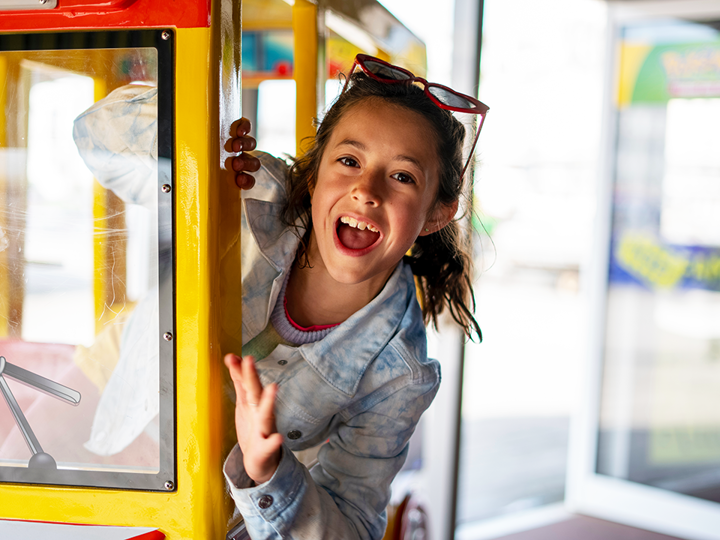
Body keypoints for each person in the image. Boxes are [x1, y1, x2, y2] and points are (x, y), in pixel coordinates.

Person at [223, 54, 488, 540]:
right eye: (349, 161)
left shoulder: (399, 376)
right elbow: (99, 141)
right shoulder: (245, 188)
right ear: (315, 172)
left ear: (436, 214)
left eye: (402, 176)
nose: (366, 190)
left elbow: (355, 528)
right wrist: (198, 141)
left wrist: (266, 470)